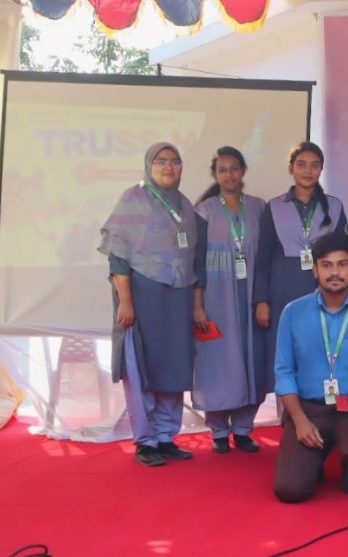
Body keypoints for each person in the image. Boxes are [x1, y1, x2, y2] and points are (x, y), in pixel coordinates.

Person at [99, 142, 206, 467]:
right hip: (142, 297)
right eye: (161, 161)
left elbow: (195, 260)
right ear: (149, 165)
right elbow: (118, 256)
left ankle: (165, 436)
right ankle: (145, 441)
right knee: (141, 367)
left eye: (175, 161)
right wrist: (126, 302)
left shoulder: (185, 205)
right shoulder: (133, 199)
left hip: (178, 297)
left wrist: (196, 305)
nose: (169, 167)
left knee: (174, 366)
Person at [272, 232, 348, 503]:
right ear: (315, 270)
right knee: (290, 490)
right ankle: (314, 455)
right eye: (327, 265)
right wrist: (299, 420)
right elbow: (283, 372)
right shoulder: (293, 312)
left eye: (342, 264)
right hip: (309, 409)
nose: (335, 272)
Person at [254, 141, 348, 396]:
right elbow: (262, 258)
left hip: (323, 285)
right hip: (284, 284)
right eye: (302, 165)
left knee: (322, 347)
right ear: (291, 168)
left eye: (314, 165)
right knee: (286, 352)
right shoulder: (274, 206)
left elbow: (344, 254)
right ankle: (288, 412)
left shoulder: (335, 206)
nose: (308, 171)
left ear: (321, 170)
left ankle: (321, 408)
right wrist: (261, 300)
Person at [191, 147, 268, 453]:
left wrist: (264, 298)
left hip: (252, 296)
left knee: (253, 358)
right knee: (218, 362)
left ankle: (244, 429)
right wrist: (197, 305)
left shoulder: (259, 208)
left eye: (234, 168)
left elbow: (266, 257)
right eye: (222, 170)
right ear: (215, 175)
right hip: (216, 297)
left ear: (243, 171)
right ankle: (219, 430)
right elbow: (195, 262)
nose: (229, 175)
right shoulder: (203, 211)